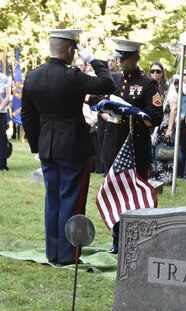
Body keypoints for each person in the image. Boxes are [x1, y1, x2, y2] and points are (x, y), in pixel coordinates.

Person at [21, 29, 116, 265]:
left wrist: (37, 146)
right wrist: (93, 59)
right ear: (72, 50)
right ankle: (67, 255)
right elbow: (108, 83)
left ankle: (52, 251)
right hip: (73, 147)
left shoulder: (32, 76)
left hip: (48, 147)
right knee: (71, 199)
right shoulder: (72, 76)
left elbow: (28, 115)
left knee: (52, 199)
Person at [101, 38, 164, 254]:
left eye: (125, 59)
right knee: (115, 193)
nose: (121, 62)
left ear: (136, 57)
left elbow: (156, 117)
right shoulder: (114, 81)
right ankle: (117, 241)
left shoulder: (148, 84)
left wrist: (130, 115)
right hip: (113, 145)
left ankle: (135, 241)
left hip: (135, 147)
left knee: (134, 196)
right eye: (119, 58)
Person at [0, 67, 10, 172]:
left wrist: (0, 108)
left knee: (2, 139)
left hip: (1, 112)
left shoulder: (4, 78)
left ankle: (2, 164)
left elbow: (7, 96)